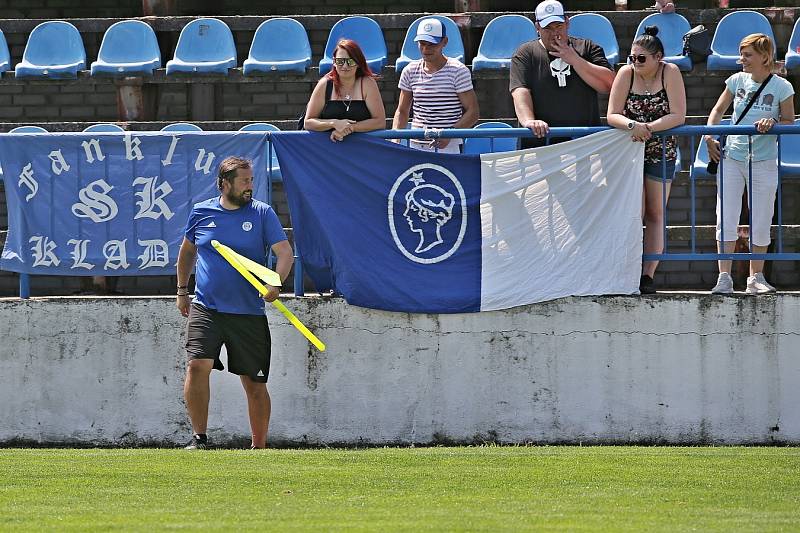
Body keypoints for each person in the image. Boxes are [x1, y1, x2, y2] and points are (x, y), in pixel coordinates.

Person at [176, 156, 293, 449]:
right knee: (197, 365)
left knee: (254, 383)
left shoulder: (262, 213)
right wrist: (181, 290)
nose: (249, 187)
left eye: (251, 180)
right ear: (224, 184)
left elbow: (284, 253)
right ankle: (199, 438)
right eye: (244, 181)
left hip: (248, 311)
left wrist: (274, 283)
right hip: (207, 307)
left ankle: (259, 446)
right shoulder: (201, 212)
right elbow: (187, 252)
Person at [706, 33, 794, 295]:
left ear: (764, 57)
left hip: (764, 160)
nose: (741, 59)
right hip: (732, 157)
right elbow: (718, 110)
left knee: (762, 219)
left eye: (747, 55)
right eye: (741, 54)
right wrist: (710, 136)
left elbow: (789, 121)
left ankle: (756, 277)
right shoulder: (735, 80)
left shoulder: (782, 87)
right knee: (726, 217)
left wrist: (774, 124)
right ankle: (724, 277)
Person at [606, 26, 686, 294]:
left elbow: (678, 115)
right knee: (632, 212)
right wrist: (632, 125)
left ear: (658, 57)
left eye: (641, 58)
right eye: (632, 57)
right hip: (629, 151)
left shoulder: (670, 73)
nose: (635, 63)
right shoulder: (625, 74)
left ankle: (647, 274)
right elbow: (612, 114)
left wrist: (648, 127)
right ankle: (625, 269)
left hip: (660, 150)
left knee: (655, 213)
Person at [509, 0, 615, 149]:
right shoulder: (525, 53)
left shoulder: (588, 48)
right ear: (537, 27)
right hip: (540, 144)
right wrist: (529, 121)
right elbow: (520, 91)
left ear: (567, 22)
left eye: (559, 26)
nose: (555, 33)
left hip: (585, 143)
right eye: (548, 28)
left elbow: (608, 85)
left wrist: (575, 60)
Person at [392, 17, 479, 153]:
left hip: (449, 147)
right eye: (422, 43)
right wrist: (395, 141)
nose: (426, 49)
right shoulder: (409, 70)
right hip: (416, 144)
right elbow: (402, 111)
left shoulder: (458, 71)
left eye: (432, 44)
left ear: (444, 42)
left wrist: (449, 134)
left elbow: (473, 112)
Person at [304, 39, 386, 142]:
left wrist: (349, 128)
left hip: (362, 147)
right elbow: (308, 122)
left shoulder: (367, 83)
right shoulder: (324, 84)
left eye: (350, 61)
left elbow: (380, 122)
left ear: (358, 63)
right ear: (334, 62)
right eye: (340, 61)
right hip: (327, 148)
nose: (345, 66)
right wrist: (334, 123)